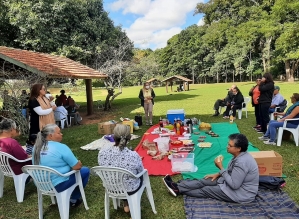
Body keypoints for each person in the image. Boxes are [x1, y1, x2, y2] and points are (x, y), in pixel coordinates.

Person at [163, 133, 259, 203]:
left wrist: (221, 167)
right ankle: (176, 186)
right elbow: (230, 171)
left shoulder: (242, 162)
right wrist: (218, 174)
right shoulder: (239, 156)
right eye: (228, 144)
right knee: (205, 181)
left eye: (230, 145)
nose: (227, 147)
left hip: (240, 193)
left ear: (238, 148)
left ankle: (178, 190)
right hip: (230, 182)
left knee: (206, 190)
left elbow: (234, 185)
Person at [32, 124, 90, 207]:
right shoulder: (61, 147)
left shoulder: (36, 147)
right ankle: (73, 199)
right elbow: (77, 167)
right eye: (59, 133)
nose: (61, 134)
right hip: (58, 185)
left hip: (41, 184)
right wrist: (78, 162)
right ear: (51, 135)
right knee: (85, 170)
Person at [98, 124, 144, 213]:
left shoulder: (102, 152)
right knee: (139, 176)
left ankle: (126, 203)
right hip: (129, 189)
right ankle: (134, 208)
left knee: (122, 178)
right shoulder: (133, 155)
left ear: (113, 136)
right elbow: (141, 171)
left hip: (111, 187)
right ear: (129, 138)